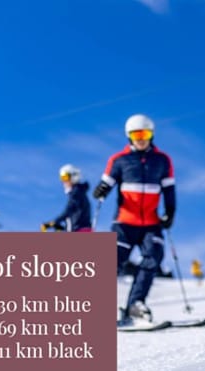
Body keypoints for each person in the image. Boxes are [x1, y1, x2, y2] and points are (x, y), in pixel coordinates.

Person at [92, 114, 176, 323]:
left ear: (151, 135)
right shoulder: (119, 160)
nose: (141, 139)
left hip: (151, 223)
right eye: (136, 135)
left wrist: (170, 212)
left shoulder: (162, 160)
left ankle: (135, 304)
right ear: (129, 136)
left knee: (153, 258)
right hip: (124, 222)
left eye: (145, 134)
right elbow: (106, 184)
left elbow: (169, 190)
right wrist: (101, 190)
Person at [42, 164, 92, 232]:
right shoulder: (80, 192)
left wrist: (54, 222)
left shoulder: (76, 193)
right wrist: (62, 227)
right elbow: (74, 217)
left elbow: (68, 210)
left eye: (65, 177)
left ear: (73, 177)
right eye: (62, 178)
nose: (63, 181)